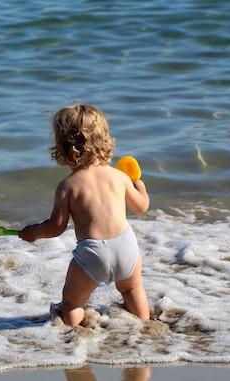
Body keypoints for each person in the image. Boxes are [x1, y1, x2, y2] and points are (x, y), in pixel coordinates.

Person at [19, 103, 150, 326]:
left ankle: (75, 332)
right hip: (126, 246)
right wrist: (140, 185)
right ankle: (143, 325)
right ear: (105, 139)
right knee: (131, 288)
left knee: (72, 301)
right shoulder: (119, 177)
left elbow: (55, 227)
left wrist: (33, 232)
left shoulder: (67, 186)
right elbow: (141, 207)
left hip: (93, 253)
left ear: (62, 146)